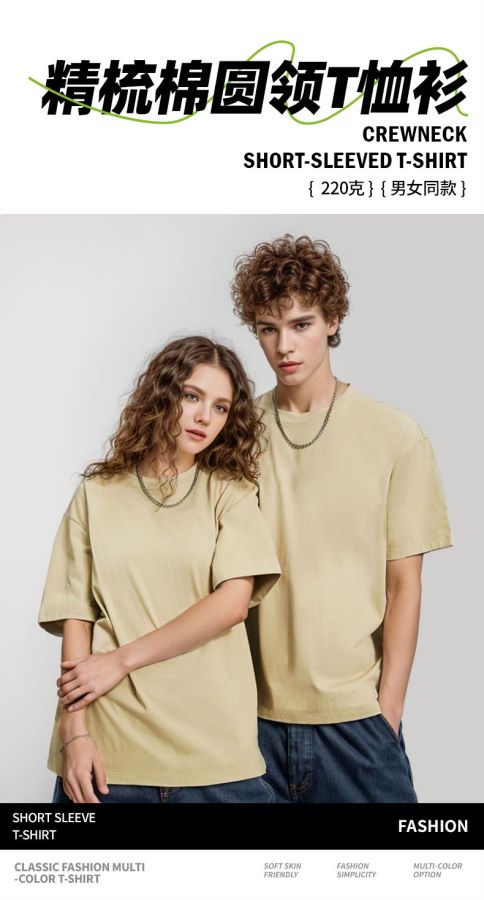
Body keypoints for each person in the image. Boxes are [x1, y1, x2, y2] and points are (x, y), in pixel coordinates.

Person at [231, 235, 452, 803]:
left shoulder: (395, 436)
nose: (284, 345)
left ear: (332, 321)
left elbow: (404, 586)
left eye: (301, 324)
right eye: (268, 328)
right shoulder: (236, 434)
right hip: (246, 723)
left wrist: (388, 714)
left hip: (356, 725)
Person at [39, 336, 280, 804]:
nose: (204, 416)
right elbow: (76, 616)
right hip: (109, 752)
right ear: (162, 394)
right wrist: (74, 733)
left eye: (220, 407)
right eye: (192, 396)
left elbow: (232, 605)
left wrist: (120, 660)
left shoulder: (229, 491)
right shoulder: (97, 494)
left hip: (214, 753)